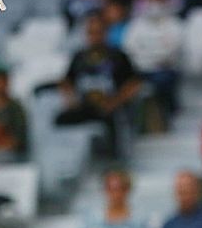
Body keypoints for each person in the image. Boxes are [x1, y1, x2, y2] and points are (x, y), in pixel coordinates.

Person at [56, 14, 142, 159]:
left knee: (112, 121)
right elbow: (66, 81)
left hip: (112, 106)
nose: (94, 36)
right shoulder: (79, 57)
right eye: (91, 32)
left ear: (106, 33)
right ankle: (65, 161)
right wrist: (70, 100)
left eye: (98, 32)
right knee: (60, 119)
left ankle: (114, 161)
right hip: (85, 105)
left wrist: (116, 101)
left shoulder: (118, 56)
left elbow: (134, 83)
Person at [123, 0, 184, 129]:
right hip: (140, 68)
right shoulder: (136, 25)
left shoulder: (174, 24)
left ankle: (168, 115)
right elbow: (130, 48)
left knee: (164, 80)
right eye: (151, 0)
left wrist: (151, 57)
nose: (154, 4)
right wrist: (145, 60)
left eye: (158, 0)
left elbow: (172, 50)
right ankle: (133, 123)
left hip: (164, 68)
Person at [79, 168, 148, 228]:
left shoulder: (139, 221)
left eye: (120, 189)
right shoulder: (91, 219)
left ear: (128, 189)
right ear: (104, 190)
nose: (115, 194)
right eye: (110, 189)